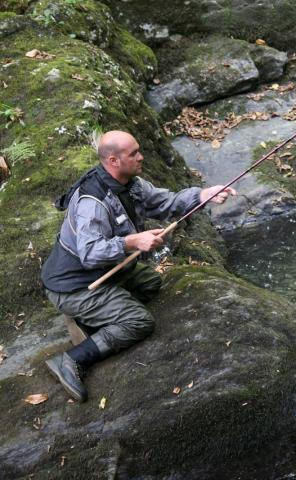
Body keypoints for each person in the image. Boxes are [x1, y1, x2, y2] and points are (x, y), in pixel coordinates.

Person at [41, 130, 236, 402]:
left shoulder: (130, 184)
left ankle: (90, 321)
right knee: (138, 321)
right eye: (134, 154)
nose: (141, 157)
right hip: (75, 286)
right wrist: (132, 242)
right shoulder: (92, 202)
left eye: (139, 150)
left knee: (150, 282)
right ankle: (71, 359)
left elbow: (166, 203)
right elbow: (89, 252)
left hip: (105, 274)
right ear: (113, 160)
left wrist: (204, 194)